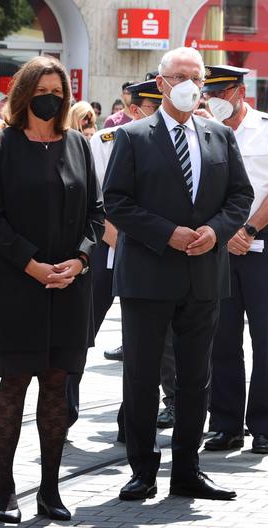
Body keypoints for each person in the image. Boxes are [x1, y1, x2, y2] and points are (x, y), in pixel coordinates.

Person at [103, 48, 254, 501]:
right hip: (148, 275)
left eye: (196, 77)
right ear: (161, 83)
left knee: (195, 377)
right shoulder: (132, 136)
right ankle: (142, 470)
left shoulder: (219, 135)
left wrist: (216, 230)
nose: (189, 85)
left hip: (203, 275)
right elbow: (116, 201)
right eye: (179, 76)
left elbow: (240, 195)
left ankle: (188, 469)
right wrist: (166, 233)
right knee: (142, 376)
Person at [0, 55, 104, 523]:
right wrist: (31, 264)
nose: (50, 99)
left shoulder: (78, 145)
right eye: (41, 91)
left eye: (57, 91)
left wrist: (81, 259)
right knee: (13, 385)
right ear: (24, 94)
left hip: (70, 286)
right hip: (19, 284)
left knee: (56, 385)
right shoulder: (1, 144)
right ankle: (4, 490)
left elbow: (96, 213)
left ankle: (50, 490)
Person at [200, 65, 268, 455]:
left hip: (264, 239)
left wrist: (250, 229)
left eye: (221, 93)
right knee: (223, 336)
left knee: (265, 337)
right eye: (209, 94)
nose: (214, 101)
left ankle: (262, 426)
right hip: (221, 243)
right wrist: (225, 232)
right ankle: (225, 424)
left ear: (239, 91)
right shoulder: (206, 129)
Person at [78, 79, 176, 436]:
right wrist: (118, 239)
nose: (162, 113)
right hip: (108, 245)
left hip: (154, 251)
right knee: (82, 328)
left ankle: (166, 403)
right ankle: (63, 405)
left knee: (159, 339)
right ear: (134, 110)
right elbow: (94, 198)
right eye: (153, 107)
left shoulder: (175, 140)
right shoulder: (105, 141)